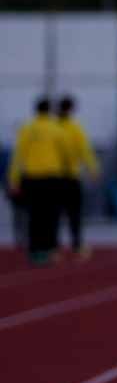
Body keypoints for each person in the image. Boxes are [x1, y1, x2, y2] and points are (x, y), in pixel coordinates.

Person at [7, 97, 68, 265]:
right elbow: (66, 154)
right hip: (52, 178)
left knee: (34, 216)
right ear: (49, 110)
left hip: (31, 179)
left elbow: (18, 156)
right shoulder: (57, 129)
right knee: (51, 215)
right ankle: (51, 249)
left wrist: (13, 180)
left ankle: (35, 251)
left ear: (36, 110)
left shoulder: (27, 129)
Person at [57, 95, 100, 259]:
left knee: (53, 214)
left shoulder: (53, 126)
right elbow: (85, 151)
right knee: (74, 214)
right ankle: (76, 245)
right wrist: (93, 170)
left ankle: (52, 246)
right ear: (72, 109)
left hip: (53, 177)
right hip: (71, 177)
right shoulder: (75, 128)